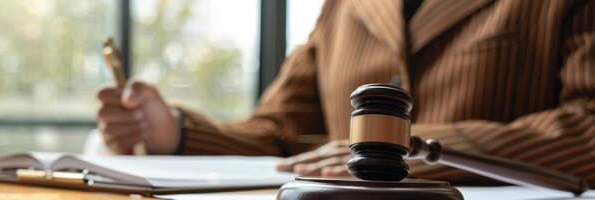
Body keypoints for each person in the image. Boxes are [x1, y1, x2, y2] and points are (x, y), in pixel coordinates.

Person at [96, 0, 595, 185]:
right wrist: (176, 132)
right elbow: (278, 132)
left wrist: (408, 149)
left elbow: (588, 126)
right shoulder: (343, 6)